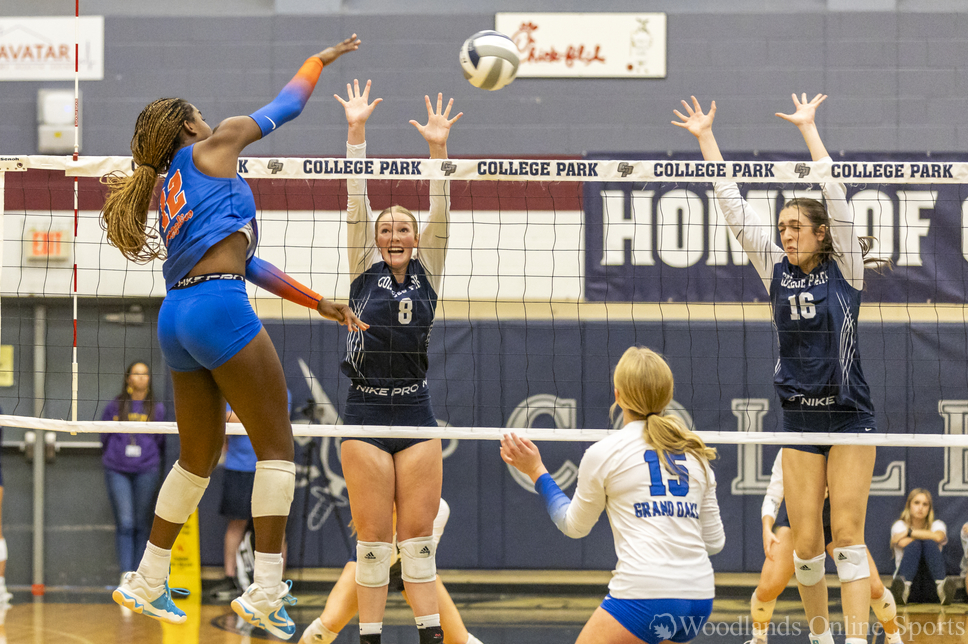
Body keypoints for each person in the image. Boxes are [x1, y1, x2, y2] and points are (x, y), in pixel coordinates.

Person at [100, 36, 367, 640]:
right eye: (200, 113)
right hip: (218, 308)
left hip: (177, 316)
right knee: (277, 449)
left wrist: (316, 301)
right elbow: (288, 105)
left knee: (196, 459)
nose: (209, 117)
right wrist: (319, 61)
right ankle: (266, 590)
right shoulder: (217, 143)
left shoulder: (171, 183)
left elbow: (245, 261)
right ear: (188, 125)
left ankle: (146, 577)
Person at [675, 93, 882, 644]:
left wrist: (809, 130)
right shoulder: (774, 267)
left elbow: (834, 193)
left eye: (796, 226)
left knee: (847, 537)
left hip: (850, 414)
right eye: (782, 225)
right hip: (799, 417)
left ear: (821, 233)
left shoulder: (847, 269)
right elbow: (733, 208)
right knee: (806, 546)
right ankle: (820, 637)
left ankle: (855, 639)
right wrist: (706, 138)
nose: (786, 233)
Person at [334, 79, 461, 644]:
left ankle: (431, 635)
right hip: (364, 410)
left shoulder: (429, 261)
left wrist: (438, 149)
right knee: (373, 545)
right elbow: (355, 197)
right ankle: (370, 637)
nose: (394, 234)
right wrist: (356, 133)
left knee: (418, 543)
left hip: (415, 409)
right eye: (386, 228)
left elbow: (442, 206)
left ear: (415, 237)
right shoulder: (364, 257)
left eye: (403, 228)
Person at [502, 346, 724, 644]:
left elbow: (573, 526)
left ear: (617, 396)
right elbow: (714, 543)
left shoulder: (605, 453)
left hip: (645, 596)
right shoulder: (696, 454)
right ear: (668, 397)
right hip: (700, 597)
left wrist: (536, 471)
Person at [749, 450, 902, 644]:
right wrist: (767, 527)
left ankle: (894, 638)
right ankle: (759, 638)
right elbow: (773, 493)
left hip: (837, 522)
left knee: (875, 588)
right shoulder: (792, 448)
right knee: (767, 588)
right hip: (800, 524)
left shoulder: (842, 446)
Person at [299, 499, 483, 644]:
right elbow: (384, 559)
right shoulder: (377, 506)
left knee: (459, 640)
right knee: (324, 629)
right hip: (374, 560)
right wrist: (388, 517)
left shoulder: (438, 509)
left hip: (412, 566)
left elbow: (417, 564)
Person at [100, 361, 167, 581]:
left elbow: (161, 440)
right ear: (128, 378)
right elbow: (104, 435)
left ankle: (139, 575)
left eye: (144, 374)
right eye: (136, 373)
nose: (140, 377)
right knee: (126, 523)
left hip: (146, 469)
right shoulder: (115, 406)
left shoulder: (157, 408)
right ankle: (126, 574)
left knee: (141, 523)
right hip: (117, 469)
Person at [890, 488, 952, 605]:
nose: (920, 508)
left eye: (925, 504)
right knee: (915, 545)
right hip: (907, 581)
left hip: (931, 583)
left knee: (929, 543)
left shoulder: (937, 524)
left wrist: (908, 533)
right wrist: (927, 535)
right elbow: (902, 543)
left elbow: (938, 537)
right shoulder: (899, 525)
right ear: (909, 505)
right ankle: (903, 591)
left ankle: (942, 589)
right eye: (916, 503)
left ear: (929, 508)